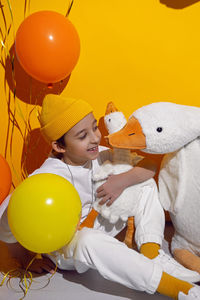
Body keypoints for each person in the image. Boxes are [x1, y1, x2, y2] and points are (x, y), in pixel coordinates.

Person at [0, 94, 200, 300]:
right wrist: (24, 259)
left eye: (94, 127)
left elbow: (149, 167)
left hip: (99, 222)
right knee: (88, 240)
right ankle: (179, 290)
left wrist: (121, 181)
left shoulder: (98, 154)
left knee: (144, 184)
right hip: (70, 246)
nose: (95, 138)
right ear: (60, 147)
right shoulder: (46, 178)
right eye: (82, 136)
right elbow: (8, 216)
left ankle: (151, 251)